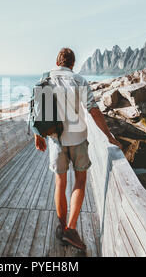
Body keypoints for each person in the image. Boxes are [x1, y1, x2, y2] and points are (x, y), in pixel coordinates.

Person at [34, 48, 122, 251]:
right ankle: (71, 229)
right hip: (79, 138)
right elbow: (93, 109)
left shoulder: (45, 79)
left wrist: (38, 136)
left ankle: (62, 226)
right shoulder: (79, 80)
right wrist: (109, 136)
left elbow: (37, 110)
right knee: (80, 180)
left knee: (59, 183)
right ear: (72, 64)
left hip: (56, 140)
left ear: (57, 63)